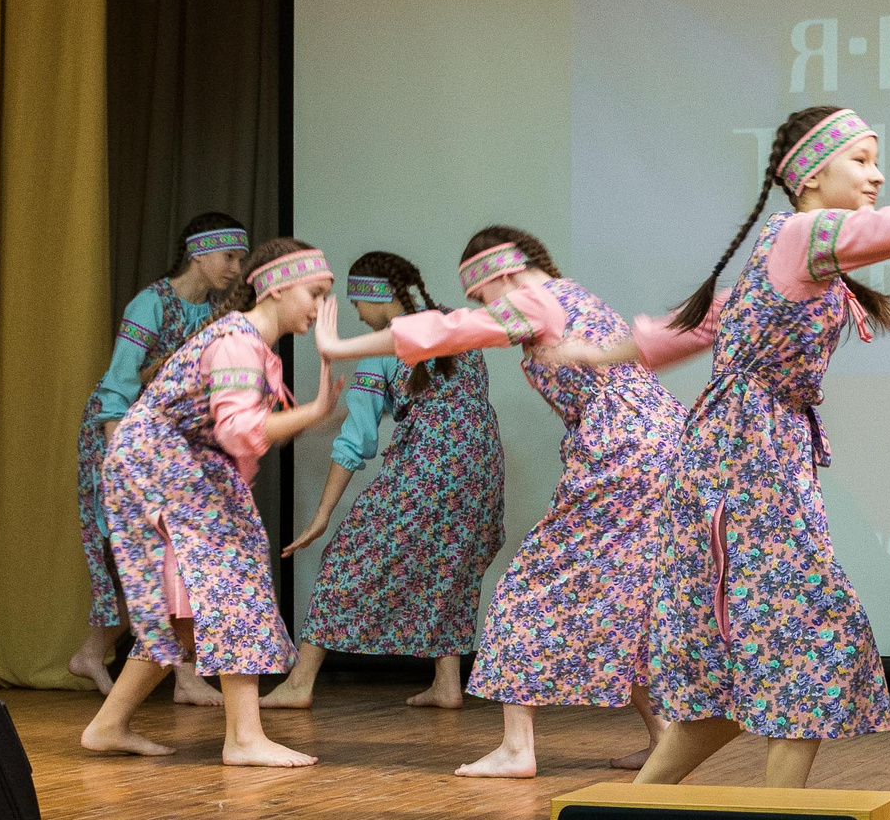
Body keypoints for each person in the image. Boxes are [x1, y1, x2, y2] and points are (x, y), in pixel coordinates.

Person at [547, 104, 890, 790]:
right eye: (862, 160)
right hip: (743, 462)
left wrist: (595, 350)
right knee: (813, 637)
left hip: (748, 458)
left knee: (747, 667)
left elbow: (681, 332)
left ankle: (637, 813)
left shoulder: (788, 256)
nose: (878, 174)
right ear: (812, 174)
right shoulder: (805, 234)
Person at [314, 226, 684, 777]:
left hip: (622, 455)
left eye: (485, 296)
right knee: (622, 599)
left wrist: (339, 347)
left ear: (504, 275)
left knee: (526, 588)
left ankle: (517, 748)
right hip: (664, 450)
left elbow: (452, 330)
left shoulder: (535, 299)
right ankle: (663, 741)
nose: (487, 309)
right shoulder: (577, 296)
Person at [81, 240, 342, 767]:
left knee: (187, 613)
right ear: (274, 286)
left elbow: (240, 436)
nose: (319, 307)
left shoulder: (252, 347)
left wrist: (307, 414)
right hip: (163, 467)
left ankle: (108, 725)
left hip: (185, 466)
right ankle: (243, 737)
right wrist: (312, 411)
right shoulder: (236, 344)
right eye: (315, 293)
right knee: (234, 583)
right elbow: (241, 429)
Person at [263, 252, 505, 713]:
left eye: (356, 304)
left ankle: (300, 681)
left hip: (430, 464)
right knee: (449, 564)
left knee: (346, 557)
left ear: (377, 299)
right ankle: (447, 682)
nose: (355, 314)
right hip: (481, 466)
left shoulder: (382, 349)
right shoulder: (455, 325)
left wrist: (322, 516)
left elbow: (355, 440)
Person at [67, 212, 249, 705]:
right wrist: (116, 460)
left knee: (172, 558)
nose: (236, 268)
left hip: (170, 442)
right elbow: (120, 381)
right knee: (154, 553)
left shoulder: (214, 312)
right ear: (199, 252)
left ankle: (98, 655)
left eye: (240, 258)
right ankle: (181, 676)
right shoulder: (151, 304)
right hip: (123, 434)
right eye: (229, 257)